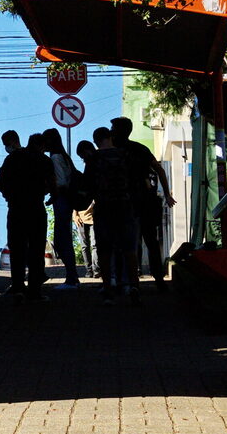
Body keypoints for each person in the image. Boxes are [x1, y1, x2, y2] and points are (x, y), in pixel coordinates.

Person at [110, 116, 176, 292]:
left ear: (119, 131)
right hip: (146, 201)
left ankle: (131, 281)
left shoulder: (114, 151)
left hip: (125, 202)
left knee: (127, 241)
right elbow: (159, 169)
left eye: (113, 128)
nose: (111, 131)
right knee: (150, 240)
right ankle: (158, 279)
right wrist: (167, 194)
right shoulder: (140, 149)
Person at [0, 132, 54, 303]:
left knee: (17, 249)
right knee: (36, 250)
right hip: (36, 209)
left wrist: (10, 195)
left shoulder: (12, 158)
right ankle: (35, 291)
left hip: (15, 209)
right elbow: (52, 184)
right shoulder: (44, 161)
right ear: (42, 146)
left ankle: (18, 287)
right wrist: (46, 193)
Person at [85, 126, 141, 305]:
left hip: (103, 207)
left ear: (96, 141)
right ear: (110, 137)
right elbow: (135, 180)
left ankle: (108, 289)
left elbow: (88, 184)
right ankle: (134, 286)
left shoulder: (94, 158)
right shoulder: (125, 155)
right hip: (125, 205)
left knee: (104, 250)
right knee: (129, 249)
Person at [41, 127, 81, 288]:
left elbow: (62, 182)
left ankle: (72, 276)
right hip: (64, 200)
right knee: (63, 238)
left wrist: (52, 191)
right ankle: (72, 276)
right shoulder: (63, 156)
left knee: (62, 239)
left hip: (62, 200)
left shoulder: (55, 158)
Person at [74, 139, 99, 279]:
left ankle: (96, 270)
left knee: (95, 244)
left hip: (94, 214)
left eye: (82, 155)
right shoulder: (88, 165)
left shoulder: (92, 164)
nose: (82, 158)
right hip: (82, 216)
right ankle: (90, 270)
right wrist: (75, 214)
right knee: (85, 245)